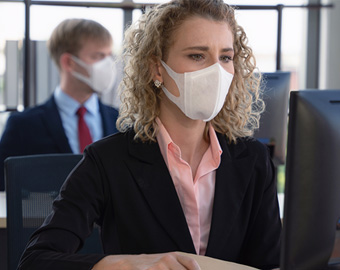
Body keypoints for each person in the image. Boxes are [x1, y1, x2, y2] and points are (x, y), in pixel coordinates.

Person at [18, 1, 281, 269]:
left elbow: (269, 262)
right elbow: (36, 261)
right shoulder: (108, 160)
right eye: (197, 56)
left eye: (225, 57)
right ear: (157, 69)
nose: (216, 71)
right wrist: (127, 265)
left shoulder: (253, 160)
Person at [0, 18, 119, 191]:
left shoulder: (122, 122)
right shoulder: (23, 126)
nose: (108, 65)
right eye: (98, 56)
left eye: (109, 56)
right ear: (69, 62)